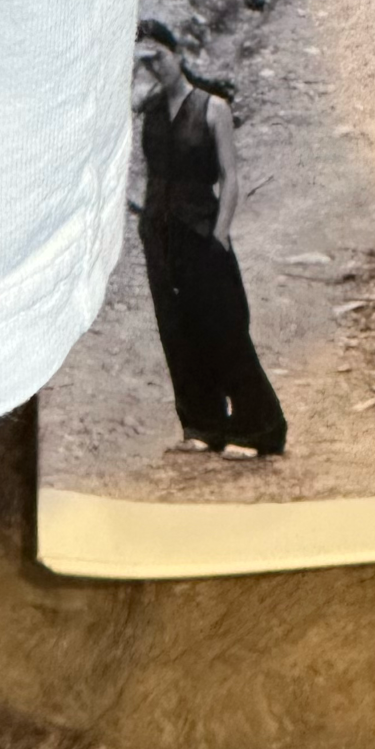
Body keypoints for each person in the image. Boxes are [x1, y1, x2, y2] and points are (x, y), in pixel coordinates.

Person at [132, 25, 286, 459]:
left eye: (159, 56)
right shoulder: (149, 109)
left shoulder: (212, 107)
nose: (155, 67)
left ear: (179, 53)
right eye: (146, 61)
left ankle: (259, 427)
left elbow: (230, 178)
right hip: (158, 233)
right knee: (176, 330)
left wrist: (219, 234)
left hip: (201, 231)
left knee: (223, 328)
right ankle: (202, 424)